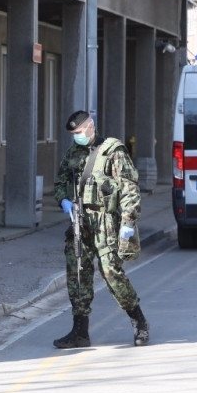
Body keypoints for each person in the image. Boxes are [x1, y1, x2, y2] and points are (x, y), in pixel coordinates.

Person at [51, 110, 150, 348]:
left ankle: (139, 322)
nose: (76, 137)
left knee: (111, 273)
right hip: (80, 221)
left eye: (78, 132)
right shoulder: (73, 152)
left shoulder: (113, 151)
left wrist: (128, 221)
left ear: (90, 126)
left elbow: (129, 189)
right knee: (77, 273)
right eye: (73, 134)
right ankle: (80, 331)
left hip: (106, 222)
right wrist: (63, 200)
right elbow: (60, 181)